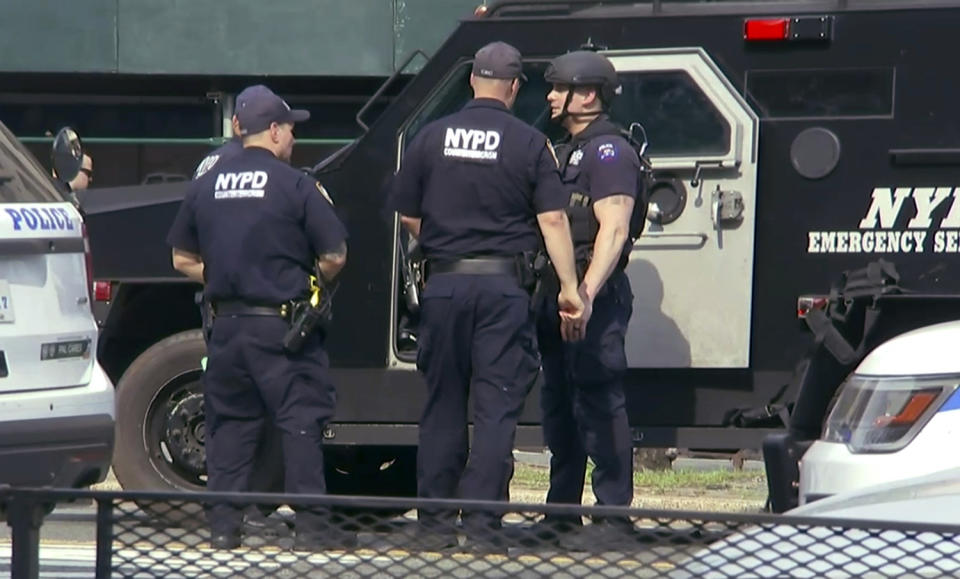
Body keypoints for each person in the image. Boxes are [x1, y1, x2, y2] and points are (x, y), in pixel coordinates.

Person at [389, 41, 588, 553]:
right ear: (516, 87)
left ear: (471, 81)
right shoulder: (528, 144)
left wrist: (442, 243)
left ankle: (433, 529)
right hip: (503, 289)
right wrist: (570, 288)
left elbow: (408, 214)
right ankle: (482, 531)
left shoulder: (429, 139)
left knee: (442, 406)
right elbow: (552, 219)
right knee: (496, 409)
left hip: (445, 284)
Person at [166, 84, 351, 551]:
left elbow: (181, 258)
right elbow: (335, 254)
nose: (293, 139)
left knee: (228, 429)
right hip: (282, 328)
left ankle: (224, 530)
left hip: (226, 327)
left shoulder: (207, 184)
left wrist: (230, 274)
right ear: (272, 131)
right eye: (290, 129)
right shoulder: (296, 184)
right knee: (300, 422)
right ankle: (311, 530)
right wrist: (311, 283)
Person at [536, 50, 642, 547]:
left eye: (560, 87)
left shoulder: (609, 151)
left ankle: (614, 519)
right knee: (560, 406)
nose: (551, 96)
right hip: (560, 295)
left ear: (589, 94)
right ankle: (561, 515)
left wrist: (585, 295)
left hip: (589, 297)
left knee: (600, 402)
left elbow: (614, 228)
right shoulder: (567, 148)